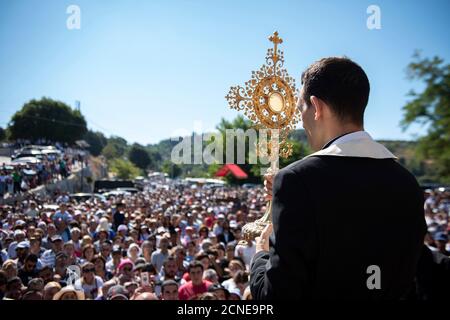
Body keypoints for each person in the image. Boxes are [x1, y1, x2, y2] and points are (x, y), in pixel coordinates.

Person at [250, 57, 427, 299]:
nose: (301, 117)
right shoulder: (407, 183)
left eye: (302, 107)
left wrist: (261, 256)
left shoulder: (297, 181)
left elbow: (277, 297)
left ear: (317, 107)